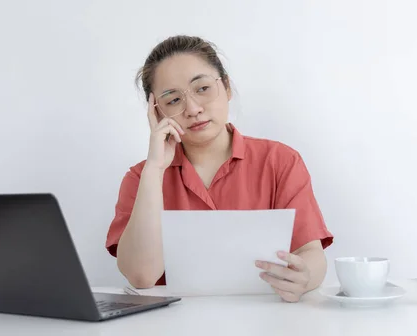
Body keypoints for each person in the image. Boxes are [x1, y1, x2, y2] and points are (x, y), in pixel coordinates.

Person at [105, 35, 333, 303]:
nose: (193, 109)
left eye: (202, 88)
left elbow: (311, 253)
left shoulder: (280, 160)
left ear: (225, 87)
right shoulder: (141, 178)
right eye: (173, 100)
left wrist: (306, 277)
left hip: (265, 319)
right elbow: (141, 276)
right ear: (156, 113)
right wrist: (155, 169)